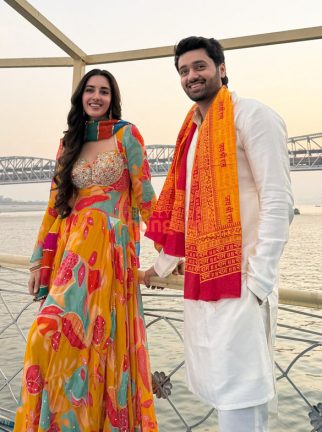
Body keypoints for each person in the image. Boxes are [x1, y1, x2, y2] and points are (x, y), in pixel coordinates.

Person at [144, 36, 294, 432]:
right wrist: (161, 267)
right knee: (223, 391)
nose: (191, 76)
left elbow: (278, 201)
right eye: (183, 70)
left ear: (221, 69)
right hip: (204, 280)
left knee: (243, 398)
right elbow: (188, 210)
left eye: (199, 66)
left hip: (241, 280)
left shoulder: (253, 116)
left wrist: (258, 282)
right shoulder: (193, 134)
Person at [14, 69, 158, 431]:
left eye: (104, 91)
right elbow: (54, 207)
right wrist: (37, 264)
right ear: (80, 97)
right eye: (90, 90)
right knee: (43, 336)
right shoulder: (69, 142)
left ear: (113, 98)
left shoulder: (126, 134)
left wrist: (172, 253)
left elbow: (145, 198)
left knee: (101, 344)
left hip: (109, 257)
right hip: (71, 254)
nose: (96, 97)